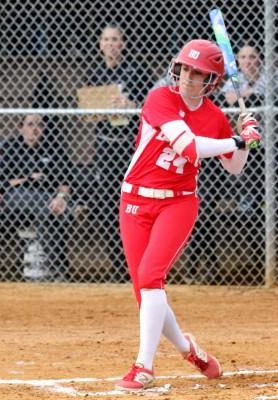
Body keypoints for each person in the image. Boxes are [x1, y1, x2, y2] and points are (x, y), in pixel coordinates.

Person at [115, 39, 261, 391]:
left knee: (151, 277)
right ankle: (188, 348)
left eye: (199, 73)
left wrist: (247, 133)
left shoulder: (213, 117)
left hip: (177, 203)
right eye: (185, 69)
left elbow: (235, 168)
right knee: (144, 291)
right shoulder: (159, 99)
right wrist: (237, 142)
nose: (188, 77)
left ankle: (143, 367)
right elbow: (189, 146)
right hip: (134, 202)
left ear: (212, 81)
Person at [82, 24, 155, 281]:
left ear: (122, 44)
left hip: (130, 145)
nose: (111, 44)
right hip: (105, 144)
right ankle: (118, 265)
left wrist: (131, 105)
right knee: (109, 204)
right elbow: (87, 112)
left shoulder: (137, 71)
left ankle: (143, 263)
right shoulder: (94, 74)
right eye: (106, 40)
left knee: (137, 202)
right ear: (100, 45)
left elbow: (154, 105)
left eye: (115, 39)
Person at [0, 114, 74, 280]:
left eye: (39, 125)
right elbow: (1, 183)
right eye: (30, 124)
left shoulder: (54, 147)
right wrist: (28, 179)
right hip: (15, 198)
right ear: (21, 127)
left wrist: (60, 197)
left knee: (47, 215)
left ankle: (57, 270)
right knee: (48, 208)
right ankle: (60, 270)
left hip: (49, 199)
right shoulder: (11, 147)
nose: (34, 129)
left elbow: (66, 181)